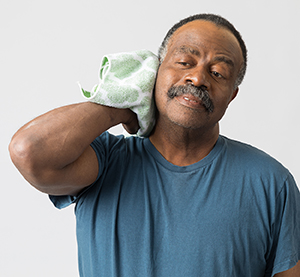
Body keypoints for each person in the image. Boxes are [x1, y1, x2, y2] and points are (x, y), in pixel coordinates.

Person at [9, 13, 300, 276]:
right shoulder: (103, 161)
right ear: (155, 71)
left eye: (218, 73)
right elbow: (28, 151)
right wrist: (120, 107)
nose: (197, 78)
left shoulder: (271, 183)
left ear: (232, 95)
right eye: (185, 62)